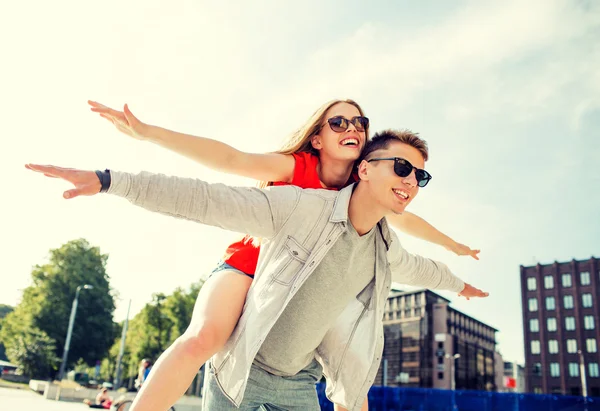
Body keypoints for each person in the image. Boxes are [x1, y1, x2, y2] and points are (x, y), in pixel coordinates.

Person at [26, 128, 489, 411]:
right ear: (364, 169)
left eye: (420, 176)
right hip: (241, 373)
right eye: (403, 167)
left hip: (301, 384)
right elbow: (208, 198)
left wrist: (461, 284)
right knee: (200, 338)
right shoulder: (302, 205)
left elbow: (426, 270)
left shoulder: (386, 250)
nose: (411, 181)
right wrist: (112, 180)